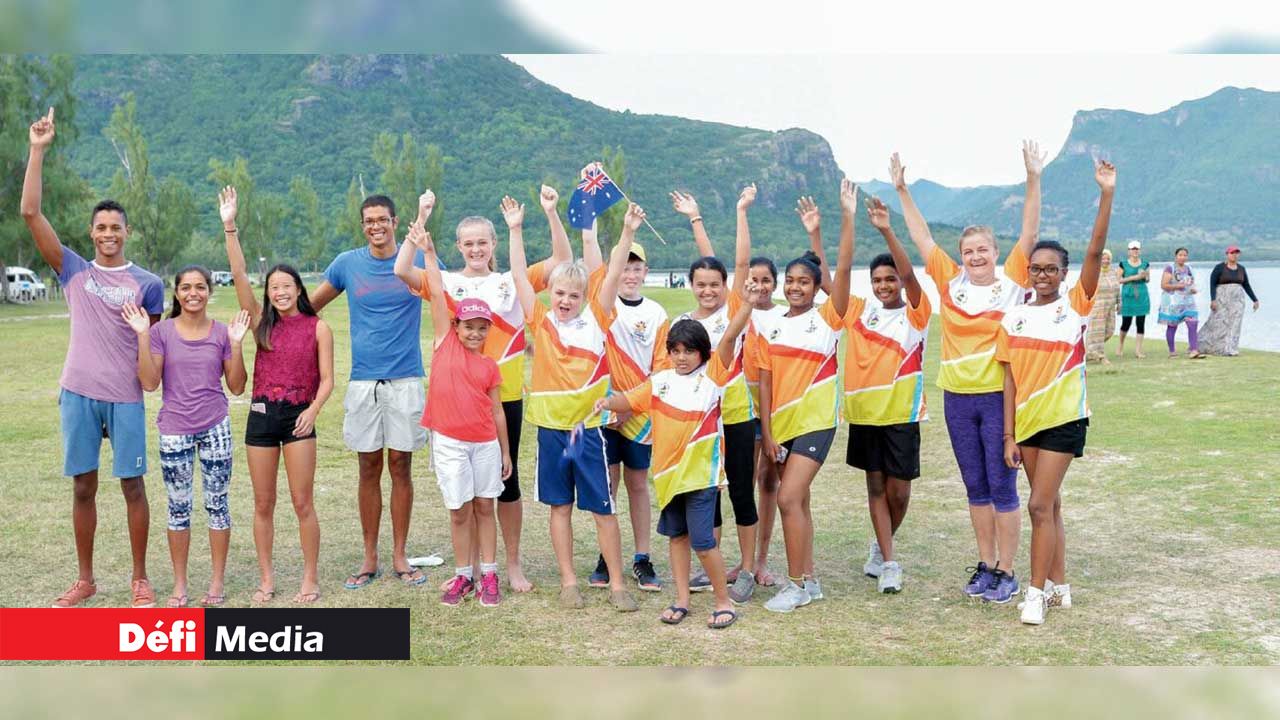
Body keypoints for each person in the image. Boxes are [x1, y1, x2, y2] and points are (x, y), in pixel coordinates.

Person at [22, 107, 165, 608]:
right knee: (83, 486)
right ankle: (85, 579)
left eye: (116, 227)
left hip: (124, 398)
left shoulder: (148, 284)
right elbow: (31, 215)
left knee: (133, 486)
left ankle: (140, 578)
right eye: (100, 227)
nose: (108, 233)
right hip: (78, 392)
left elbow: (152, 353)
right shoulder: (73, 270)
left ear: (127, 233)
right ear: (91, 233)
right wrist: (38, 150)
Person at [395, 187, 571, 593]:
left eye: (482, 242)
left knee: (505, 484)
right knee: (468, 487)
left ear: (493, 244)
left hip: (503, 396)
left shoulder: (513, 279)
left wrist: (549, 213)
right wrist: (421, 217)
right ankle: (472, 565)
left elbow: (562, 261)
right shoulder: (447, 281)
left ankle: (510, 563)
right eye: (469, 243)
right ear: (459, 246)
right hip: (460, 404)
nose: (476, 249)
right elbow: (402, 270)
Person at [892, 142, 1039, 604]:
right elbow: (920, 237)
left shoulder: (1013, 280)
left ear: (996, 252)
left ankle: (1009, 571)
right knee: (975, 486)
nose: (975, 256)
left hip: (998, 397)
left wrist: (1033, 178)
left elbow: (1030, 234)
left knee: (1002, 484)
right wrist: (901, 189)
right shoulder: (949, 280)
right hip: (957, 399)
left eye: (982, 250)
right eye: (968, 250)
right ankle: (987, 564)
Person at [594, 286, 763, 629]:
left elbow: (730, 337)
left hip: (700, 476)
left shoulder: (712, 378)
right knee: (677, 538)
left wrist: (745, 304)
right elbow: (628, 400)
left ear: (703, 353)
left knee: (703, 542)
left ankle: (722, 601)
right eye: (676, 350)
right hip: (670, 478)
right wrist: (606, 403)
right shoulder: (661, 382)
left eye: (690, 351)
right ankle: (682, 598)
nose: (682, 357)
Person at [507, 195, 640, 613]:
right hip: (551, 432)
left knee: (603, 509)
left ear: (586, 296)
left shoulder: (598, 317)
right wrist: (514, 229)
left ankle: (618, 585)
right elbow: (517, 275)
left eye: (573, 294)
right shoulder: (541, 320)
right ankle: (568, 582)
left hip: (589, 431)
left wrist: (627, 232)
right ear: (550, 292)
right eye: (559, 292)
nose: (565, 300)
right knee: (559, 507)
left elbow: (615, 269)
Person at [997, 159, 1116, 625]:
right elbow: (1009, 379)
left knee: (1038, 505)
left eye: (1051, 269)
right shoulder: (1015, 317)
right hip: (1026, 425)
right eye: (1036, 269)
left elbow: (1095, 249)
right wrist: (1008, 436)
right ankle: (1061, 585)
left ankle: (1034, 594)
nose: (1042, 275)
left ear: (1064, 274)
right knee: (1052, 507)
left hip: (1064, 420)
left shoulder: (1076, 307)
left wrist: (1106, 193)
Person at [308, 194, 430, 590]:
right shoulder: (347, 263)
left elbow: (450, 298)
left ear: (395, 222)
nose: (375, 226)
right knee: (368, 467)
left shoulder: (419, 260)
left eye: (382, 219)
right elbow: (310, 309)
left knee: (400, 465)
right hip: (363, 382)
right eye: (368, 221)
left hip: (406, 379)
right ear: (363, 225)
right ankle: (369, 555)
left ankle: (399, 554)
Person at [221, 186, 335, 604]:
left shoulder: (318, 326)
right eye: (274, 287)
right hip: (262, 417)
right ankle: (266, 578)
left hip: (299, 418)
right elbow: (237, 276)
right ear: (267, 293)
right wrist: (230, 226)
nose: (280, 292)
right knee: (263, 502)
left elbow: (327, 379)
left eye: (287, 285)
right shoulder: (260, 324)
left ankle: (310, 576)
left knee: (303, 501)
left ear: (298, 289)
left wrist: (315, 410)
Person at [399, 222, 511, 607]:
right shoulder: (444, 342)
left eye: (483, 327)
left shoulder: (490, 367)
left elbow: (497, 411)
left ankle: (490, 574)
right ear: (456, 325)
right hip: (449, 441)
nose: (475, 332)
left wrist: (507, 452)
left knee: (485, 507)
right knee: (460, 510)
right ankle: (464, 575)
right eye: (469, 326)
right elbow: (434, 292)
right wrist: (428, 252)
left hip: (484, 445)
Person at [124, 267, 249, 607]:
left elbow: (237, 386)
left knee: (217, 507)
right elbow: (150, 383)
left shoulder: (223, 332)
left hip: (216, 428)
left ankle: (217, 583)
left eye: (200, 287)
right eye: (185, 287)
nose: (193, 293)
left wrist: (236, 345)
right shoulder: (162, 331)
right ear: (176, 293)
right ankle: (180, 585)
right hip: (175, 430)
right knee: (178, 508)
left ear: (209, 291)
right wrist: (142, 335)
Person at [758, 178, 855, 613]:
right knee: (800, 502)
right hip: (781, 428)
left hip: (817, 421)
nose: (796, 287)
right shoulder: (769, 325)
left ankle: (795, 585)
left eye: (805, 282)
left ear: (818, 288)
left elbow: (845, 275)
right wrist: (767, 435)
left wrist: (840, 223)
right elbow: (764, 384)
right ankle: (810, 579)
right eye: (790, 280)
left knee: (788, 498)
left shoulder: (829, 318)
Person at [578, 170, 669, 592]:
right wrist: (592, 199)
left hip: (638, 413)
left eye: (637, 266)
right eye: (624, 265)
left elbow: (662, 368)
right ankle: (606, 553)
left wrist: (629, 405)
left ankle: (642, 557)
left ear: (646, 271)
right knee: (608, 482)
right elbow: (590, 243)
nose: (629, 273)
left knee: (637, 484)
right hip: (604, 412)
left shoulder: (656, 314)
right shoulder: (603, 301)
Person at [846, 197, 932, 594]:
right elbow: (834, 281)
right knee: (876, 489)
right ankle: (888, 559)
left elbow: (913, 276)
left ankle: (881, 544)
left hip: (901, 415)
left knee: (900, 491)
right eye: (878, 280)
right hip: (865, 415)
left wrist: (885, 229)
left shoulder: (917, 311)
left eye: (890, 279)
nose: (884, 285)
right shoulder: (861, 311)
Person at [743, 254, 786, 588]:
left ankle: (761, 560)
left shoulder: (786, 315)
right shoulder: (739, 310)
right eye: (753, 280)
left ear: (776, 282)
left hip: (775, 414)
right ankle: (743, 560)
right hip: (742, 412)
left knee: (768, 483)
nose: (759, 286)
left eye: (766, 280)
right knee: (742, 484)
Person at [1200, 245, 1260, 356]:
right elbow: (1212, 284)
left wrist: (1255, 300)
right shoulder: (1219, 267)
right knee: (1217, 322)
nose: (1234, 255)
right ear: (1227, 254)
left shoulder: (1241, 269)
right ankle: (1210, 346)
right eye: (1232, 253)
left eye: (1237, 253)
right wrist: (1213, 299)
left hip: (1238, 301)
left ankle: (1230, 348)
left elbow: (1246, 285)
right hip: (1221, 299)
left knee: (1235, 324)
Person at [1158, 248, 1204, 359]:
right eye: (1180, 255)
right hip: (1173, 301)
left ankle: (1193, 350)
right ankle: (1172, 351)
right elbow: (1163, 285)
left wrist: (1193, 289)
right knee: (1172, 325)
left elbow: (1191, 283)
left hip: (1188, 301)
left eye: (1185, 255)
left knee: (1193, 322)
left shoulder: (1189, 268)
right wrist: (1177, 286)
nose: (1182, 257)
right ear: (1176, 256)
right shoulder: (1170, 268)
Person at [1083, 249, 1120, 365]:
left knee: (1109, 330)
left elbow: (1117, 288)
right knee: (1097, 332)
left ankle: (1088, 352)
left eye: (1108, 258)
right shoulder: (1093, 272)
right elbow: (1085, 288)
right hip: (1097, 306)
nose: (1106, 261)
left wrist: (1119, 302)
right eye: (1103, 258)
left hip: (1110, 306)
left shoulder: (1113, 272)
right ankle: (1100, 356)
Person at [1117, 240, 1150, 359]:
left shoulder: (1145, 264)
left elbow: (1147, 280)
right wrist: (1134, 277)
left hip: (1142, 295)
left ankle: (1138, 350)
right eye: (1133, 249)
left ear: (1139, 251)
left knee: (1140, 322)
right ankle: (1120, 345)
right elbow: (1118, 280)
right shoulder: (1123, 264)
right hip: (1128, 295)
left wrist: (1144, 275)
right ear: (1129, 251)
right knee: (1126, 322)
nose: (1135, 251)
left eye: (1137, 249)